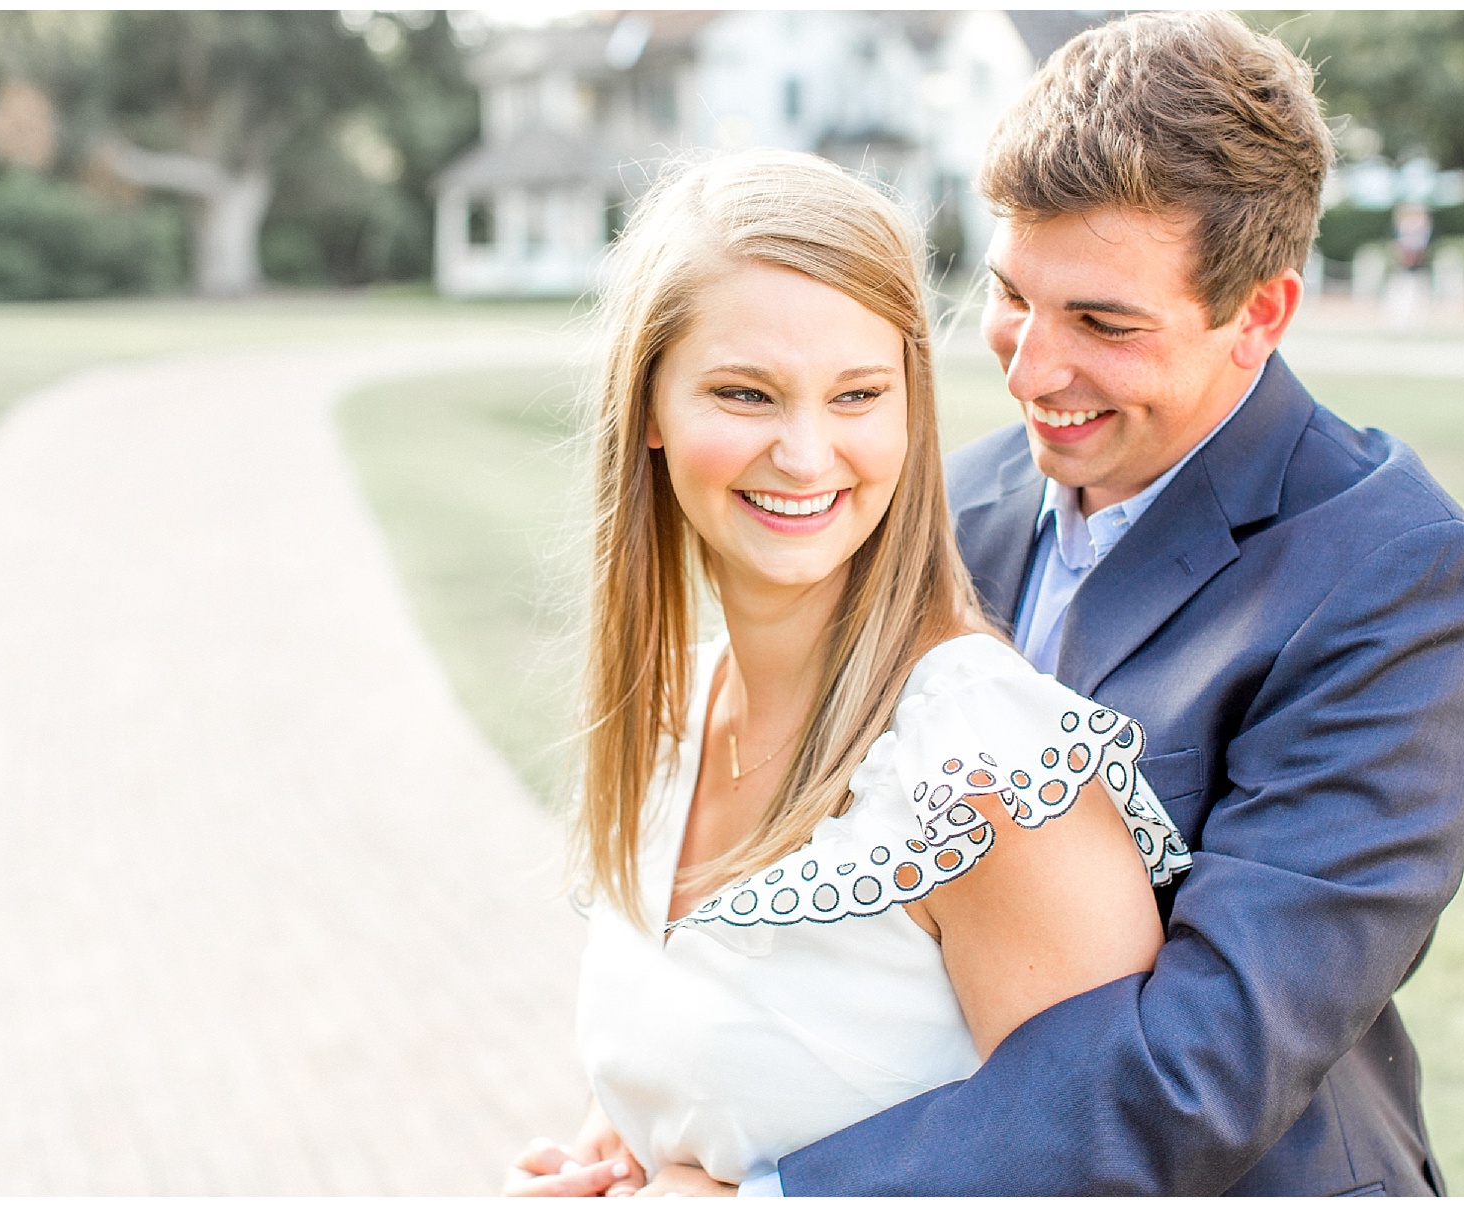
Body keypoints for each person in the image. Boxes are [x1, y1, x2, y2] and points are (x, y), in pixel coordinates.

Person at [743, 11, 1464, 1196]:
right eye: (1012, 294)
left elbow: (1202, 1067)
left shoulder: (1403, 582)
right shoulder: (958, 497)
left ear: (1258, 314)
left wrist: (778, 1192)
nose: (1029, 368)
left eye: (1104, 323)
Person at [502, 148, 1192, 1197]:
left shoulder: (987, 768)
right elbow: (712, 1088)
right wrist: (608, 1158)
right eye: (746, 393)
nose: (808, 452)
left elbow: (1120, 1170)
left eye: (858, 394)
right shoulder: (674, 714)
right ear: (647, 406)